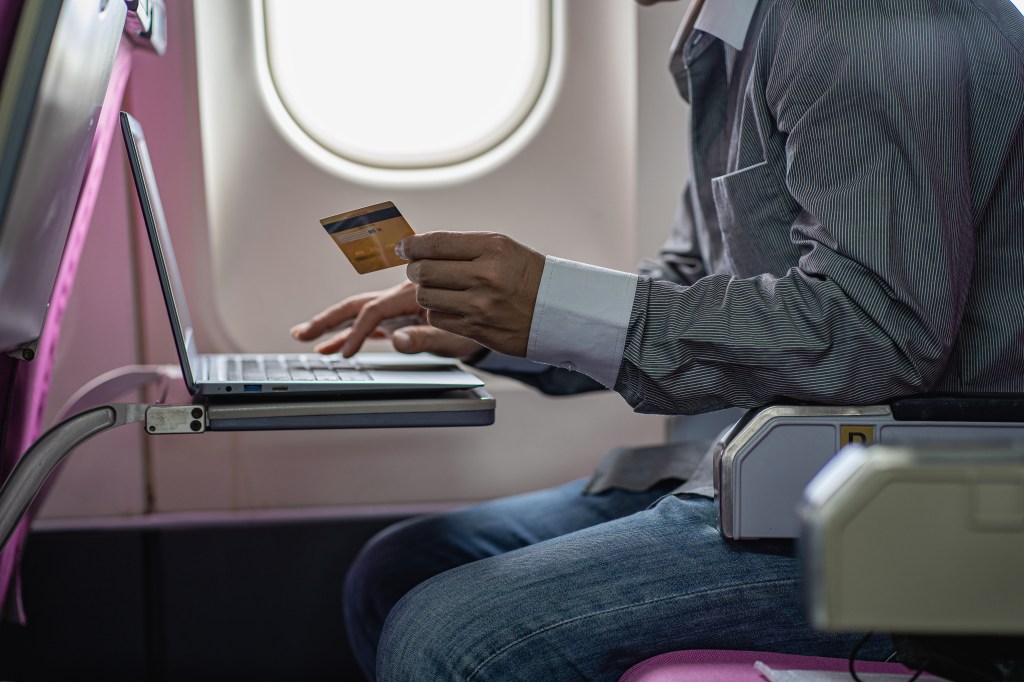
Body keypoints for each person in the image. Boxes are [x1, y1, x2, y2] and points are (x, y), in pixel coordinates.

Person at [291, 0, 1024, 679]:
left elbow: (876, 328)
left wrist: (553, 304)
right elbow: (697, 275)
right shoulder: (724, 38)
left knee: (446, 633)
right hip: (784, 465)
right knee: (397, 569)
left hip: (908, 513)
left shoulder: (849, 19)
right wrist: (492, 326)